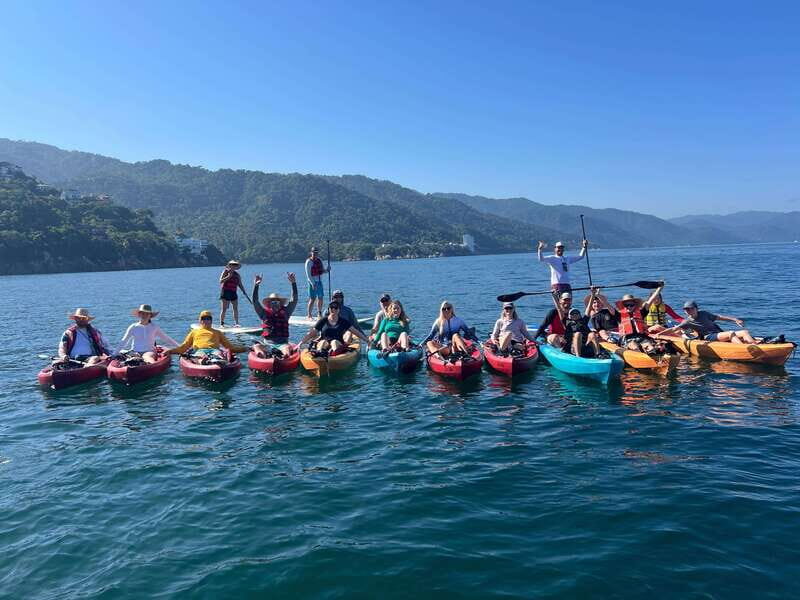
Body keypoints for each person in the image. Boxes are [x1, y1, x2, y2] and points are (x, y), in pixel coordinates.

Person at [659, 301, 757, 344]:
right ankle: (744, 349)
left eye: (691, 309)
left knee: (745, 332)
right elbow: (673, 329)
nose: (688, 311)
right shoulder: (687, 322)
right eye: (686, 310)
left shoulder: (704, 314)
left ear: (696, 309)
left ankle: (755, 347)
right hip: (709, 337)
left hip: (718, 333)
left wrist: (735, 319)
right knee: (731, 333)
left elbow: (719, 317)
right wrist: (659, 335)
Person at [250, 272, 299, 359]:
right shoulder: (263, 313)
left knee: (287, 348)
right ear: (269, 303)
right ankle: (262, 355)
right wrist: (256, 285)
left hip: (282, 344)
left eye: (277, 302)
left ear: (280, 303)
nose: (275, 304)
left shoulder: (286, 312)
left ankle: (284, 356)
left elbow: (294, 300)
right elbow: (255, 301)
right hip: (267, 343)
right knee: (257, 346)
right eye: (272, 302)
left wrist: (293, 283)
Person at [168, 310, 247, 363]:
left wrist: (245, 349)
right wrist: (170, 351)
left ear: (211, 320)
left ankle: (218, 360)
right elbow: (184, 347)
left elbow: (230, 347)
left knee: (218, 353)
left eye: (208, 318)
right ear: (200, 321)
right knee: (200, 355)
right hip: (200, 350)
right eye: (203, 318)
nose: (206, 320)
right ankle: (202, 361)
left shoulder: (218, 332)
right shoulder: (194, 332)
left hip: (213, 350)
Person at [299, 300, 369, 354]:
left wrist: (367, 341)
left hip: (338, 343)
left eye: (335, 308)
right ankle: (321, 355)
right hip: (324, 342)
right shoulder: (323, 320)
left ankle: (334, 355)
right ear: (329, 309)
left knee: (334, 342)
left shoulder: (343, 321)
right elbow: (312, 333)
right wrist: (300, 343)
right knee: (323, 342)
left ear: (339, 310)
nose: (333, 309)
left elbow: (355, 332)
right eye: (331, 307)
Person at [614, 285, 669, 354]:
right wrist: (596, 294)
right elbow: (606, 304)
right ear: (623, 306)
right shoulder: (618, 315)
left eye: (631, 305)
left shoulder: (641, 312)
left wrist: (659, 289)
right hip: (627, 339)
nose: (629, 307)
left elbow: (651, 300)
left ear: (635, 305)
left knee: (650, 347)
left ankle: (654, 357)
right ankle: (641, 357)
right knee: (634, 346)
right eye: (626, 305)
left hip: (641, 337)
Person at [219, 260, 247, 327]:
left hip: (233, 292)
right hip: (225, 291)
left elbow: (240, 284)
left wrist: (244, 291)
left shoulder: (237, 275)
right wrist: (228, 276)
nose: (233, 266)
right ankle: (222, 324)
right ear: (229, 265)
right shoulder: (225, 272)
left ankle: (236, 323)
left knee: (235, 308)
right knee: (224, 309)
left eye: (235, 265)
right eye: (232, 264)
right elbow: (220, 281)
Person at [304, 246, 329, 319]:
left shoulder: (319, 260)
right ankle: (309, 315)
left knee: (320, 298)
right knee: (312, 299)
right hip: (312, 282)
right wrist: (313, 284)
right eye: (314, 253)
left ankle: (319, 313)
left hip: (319, 282)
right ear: (311, 253)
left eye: (316, 253)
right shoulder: (308, 262)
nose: (315, 254)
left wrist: (327, 270)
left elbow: (322, 271)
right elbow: (308, 275)